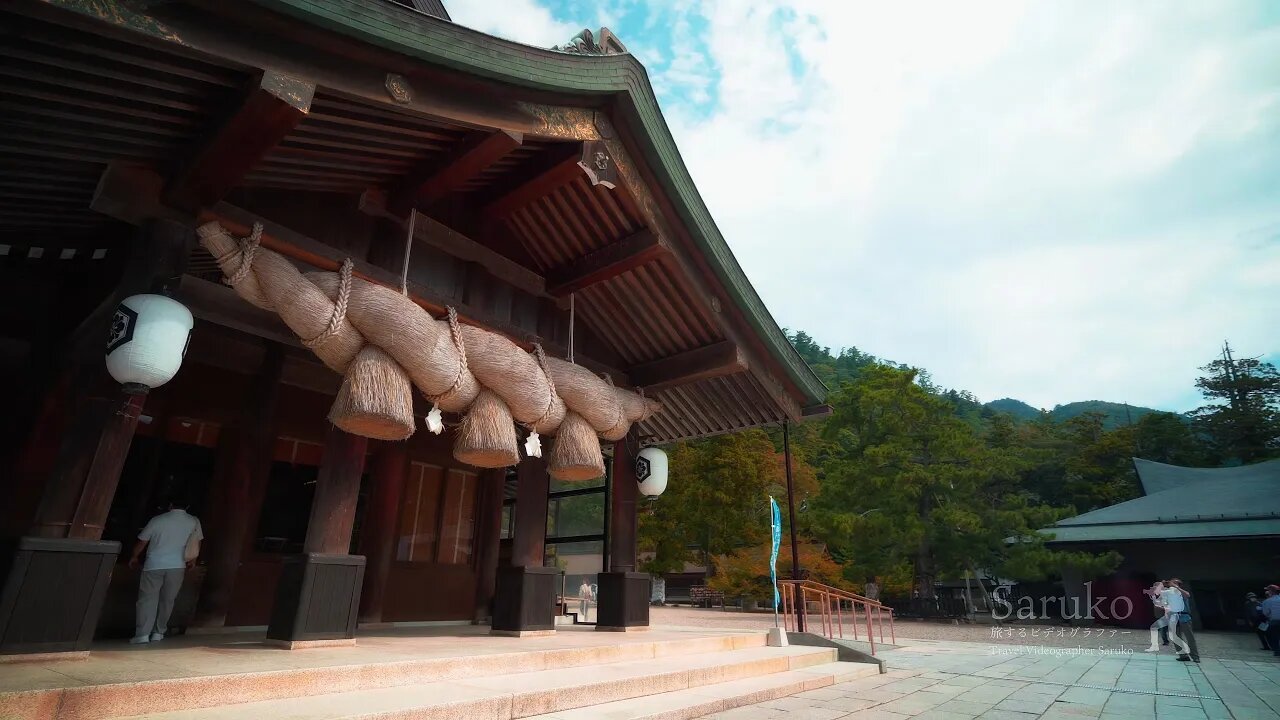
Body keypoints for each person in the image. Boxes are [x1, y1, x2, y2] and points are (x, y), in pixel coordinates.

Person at [128, 494, 202, 644]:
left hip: (154, 564)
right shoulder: (193, 521)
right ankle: (158, 632)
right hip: (178, 565)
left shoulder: (158, 520)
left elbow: (143, 541)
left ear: (170, 505)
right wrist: (193, 560)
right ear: (187, 507)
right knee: (167, 600)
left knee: (147, 599)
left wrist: (134, 556)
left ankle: (142, 634)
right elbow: (197, 542)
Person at [1164, 578, 1200, 663]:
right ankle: (1183, 655)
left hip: (1184, 617)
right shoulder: (1170, 594)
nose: (1172, 585)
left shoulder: (1181, 593)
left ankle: (1195, 656)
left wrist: (1177, 587)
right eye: (1171, 583)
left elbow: (1187, 595)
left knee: (1190, 638)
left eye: (1174, 583)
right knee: (1176, 637)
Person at [1143, 581, 1171, 652]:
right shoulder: (1158, 594)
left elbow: (1164, 604)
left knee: (1161, 628)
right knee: (1162, 628)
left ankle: (1164, 641)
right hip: (1159, 614)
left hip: (1164, 614)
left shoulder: (1164, 594)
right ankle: (1165, 641)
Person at [1262, 584, 1280, 657]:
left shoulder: (1267, 601)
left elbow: (1266, 613)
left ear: (1270, 592)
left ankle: (1277, 650)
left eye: (1267, 590)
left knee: (1271, 636)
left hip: (1274, 621)